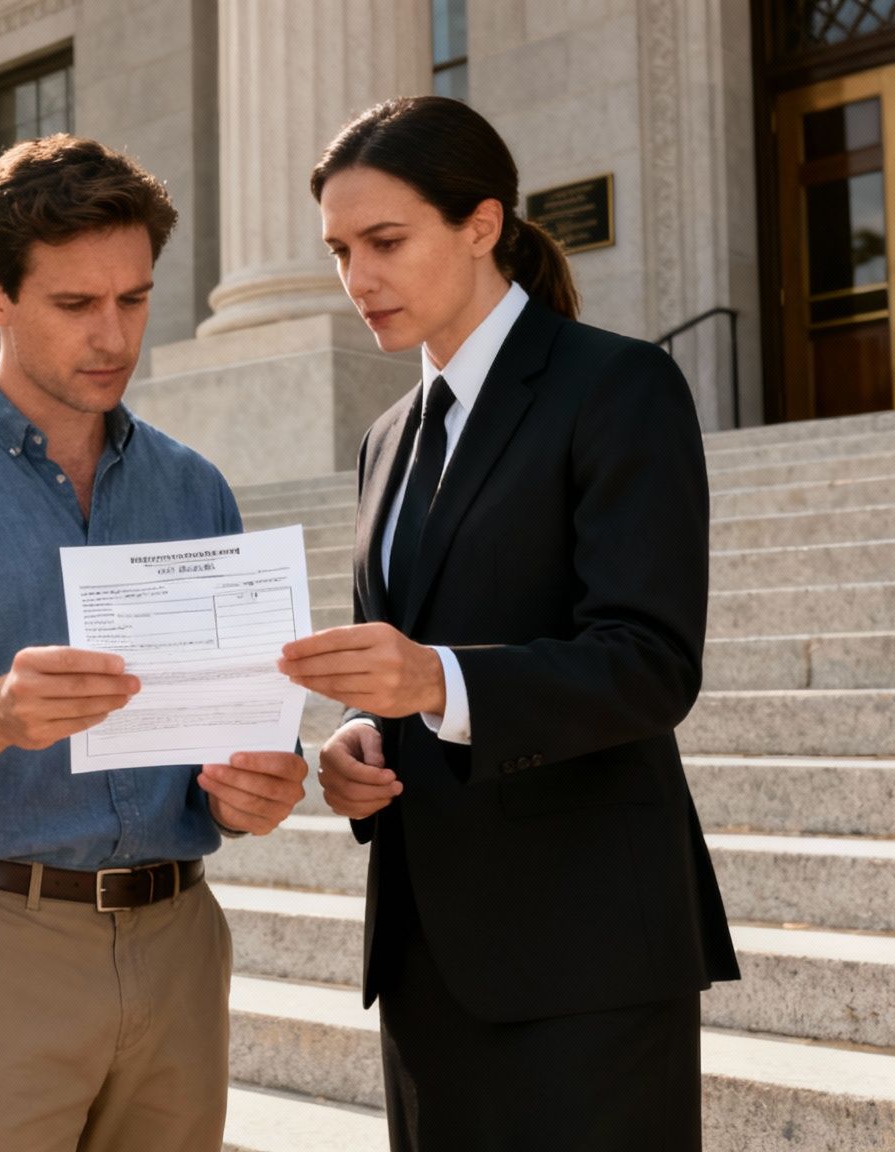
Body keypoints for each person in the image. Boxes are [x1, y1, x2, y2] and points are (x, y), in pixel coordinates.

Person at [0, 134, 311, 1152]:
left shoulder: (192, 488)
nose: (112, 336)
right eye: (75, 306)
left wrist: (258, 784)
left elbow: (233, 731)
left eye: (133, 298)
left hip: (177, 949)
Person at [277, 97, 741, 1151]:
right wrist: (361, 738)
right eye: (340, 250)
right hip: (426, 960)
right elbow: (398, 663)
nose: (357, 279)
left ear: (480, 224)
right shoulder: (384, 438)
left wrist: (435, 683)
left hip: (586, 957)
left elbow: (649, 663)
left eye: (383, 242)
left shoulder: (616, 385)